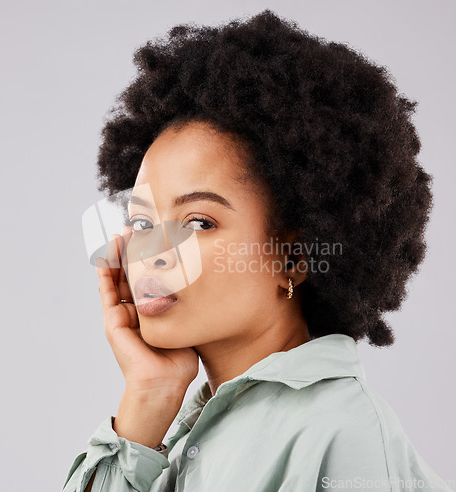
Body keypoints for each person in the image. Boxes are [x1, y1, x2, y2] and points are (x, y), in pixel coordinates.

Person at [62, 9, 452, 492]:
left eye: (199, 221)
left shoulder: (342, 432)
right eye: (141, 222)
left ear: (293, 258)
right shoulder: (184, 425)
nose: (152, 252)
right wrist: (149, 394)